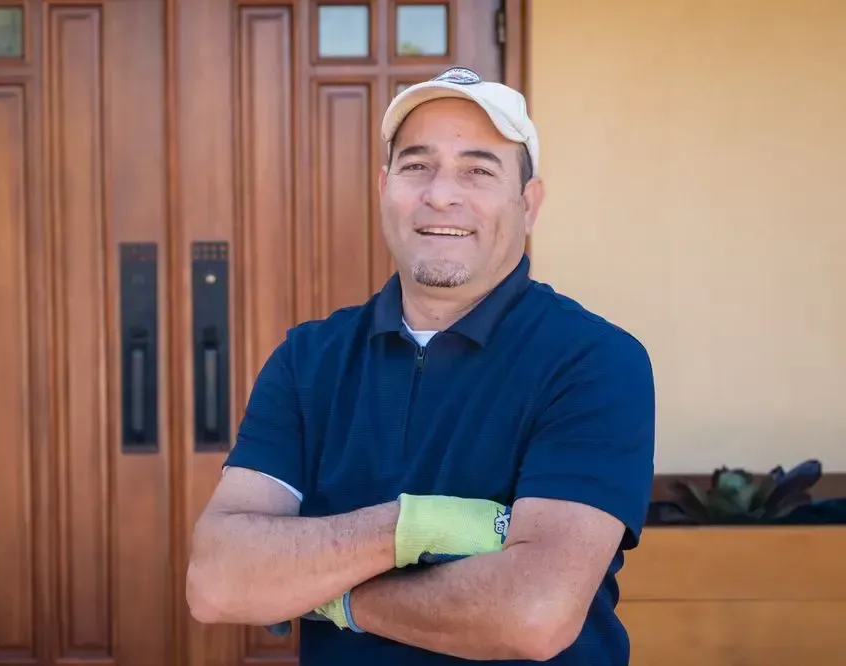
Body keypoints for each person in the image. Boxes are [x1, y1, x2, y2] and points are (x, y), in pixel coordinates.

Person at [185, 66, 656, 665]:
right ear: (385, 186)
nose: (441, 194)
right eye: (416, 165)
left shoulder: (593, 362)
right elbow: (218, 580)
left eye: (479, 170)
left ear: (528, 204)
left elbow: (534, 613)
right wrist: (422, 524)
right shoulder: (308, 360)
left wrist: (333, 596)